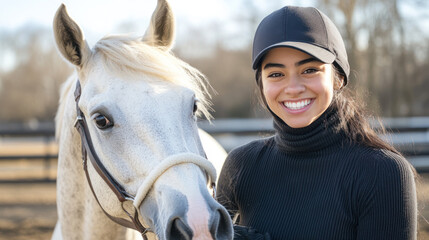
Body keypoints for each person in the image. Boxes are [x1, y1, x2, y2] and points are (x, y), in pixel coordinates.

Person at [216, 5, 418, 240]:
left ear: (338, 77)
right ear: (261, 84)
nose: (293, 88)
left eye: (310, 70)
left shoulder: (382, 173)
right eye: (276, 74)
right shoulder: (241, 165)